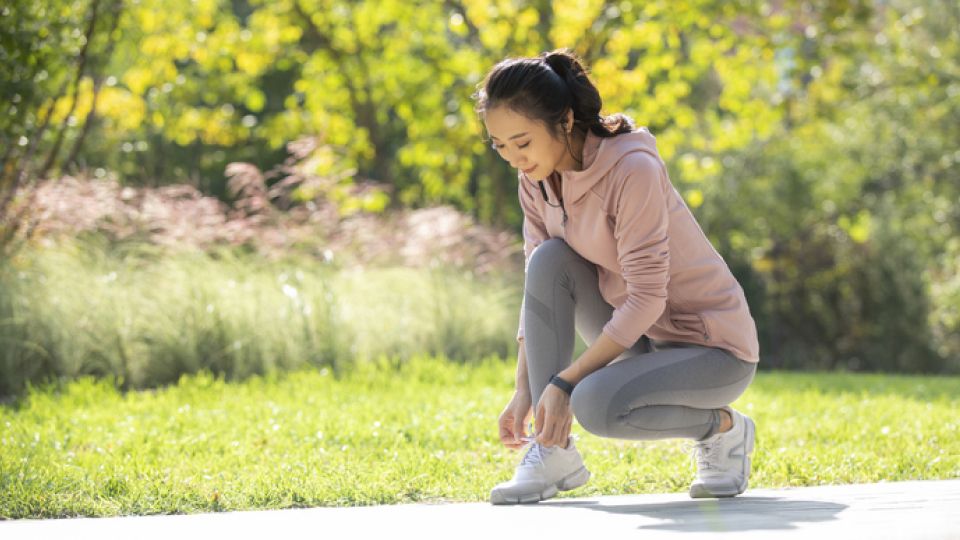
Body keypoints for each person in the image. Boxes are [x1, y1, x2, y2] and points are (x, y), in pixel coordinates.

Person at [470, 48, 761, 505]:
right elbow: (538, 291)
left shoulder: (632, 169)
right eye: (501, 146)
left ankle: (724, 428)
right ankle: (552, 450)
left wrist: (564, 383)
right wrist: (525, 390)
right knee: (547, 260)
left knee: (594, 404)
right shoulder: (536, 180)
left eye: (522, 143)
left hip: (712, 349)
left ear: (564, 121)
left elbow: (647, 298)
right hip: (641, 341)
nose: (513, 158)